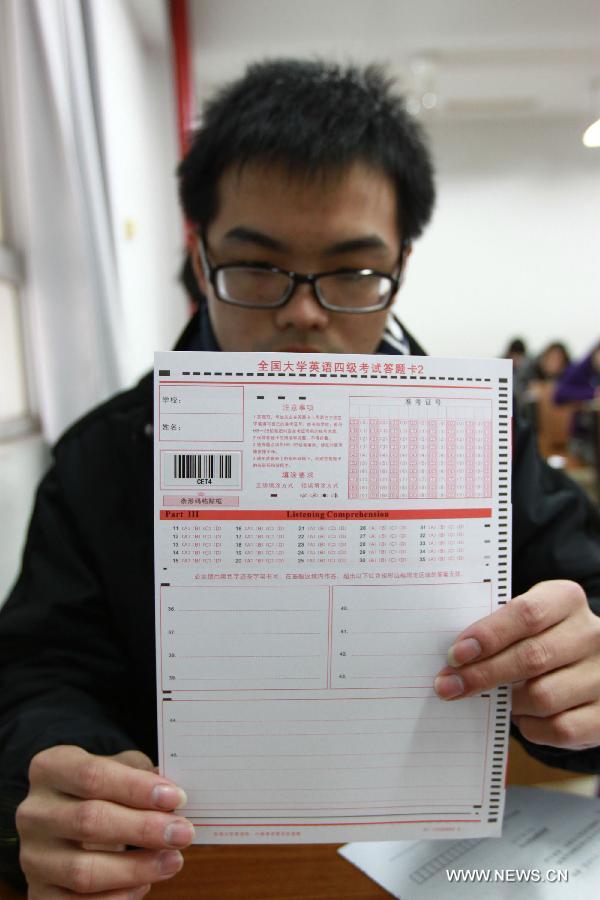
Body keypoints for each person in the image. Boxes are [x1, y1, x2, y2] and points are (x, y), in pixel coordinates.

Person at [1, 59, 600, 897]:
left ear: (401, 262)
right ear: (199, 250)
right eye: (258, 266)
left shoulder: (484, 436)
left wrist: (584, 670)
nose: (303, 312)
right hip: (185, 866)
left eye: (354, 272)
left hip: (440, 861)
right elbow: (38, 671)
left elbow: (585, 605)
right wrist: (70, 775)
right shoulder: (101, 456)